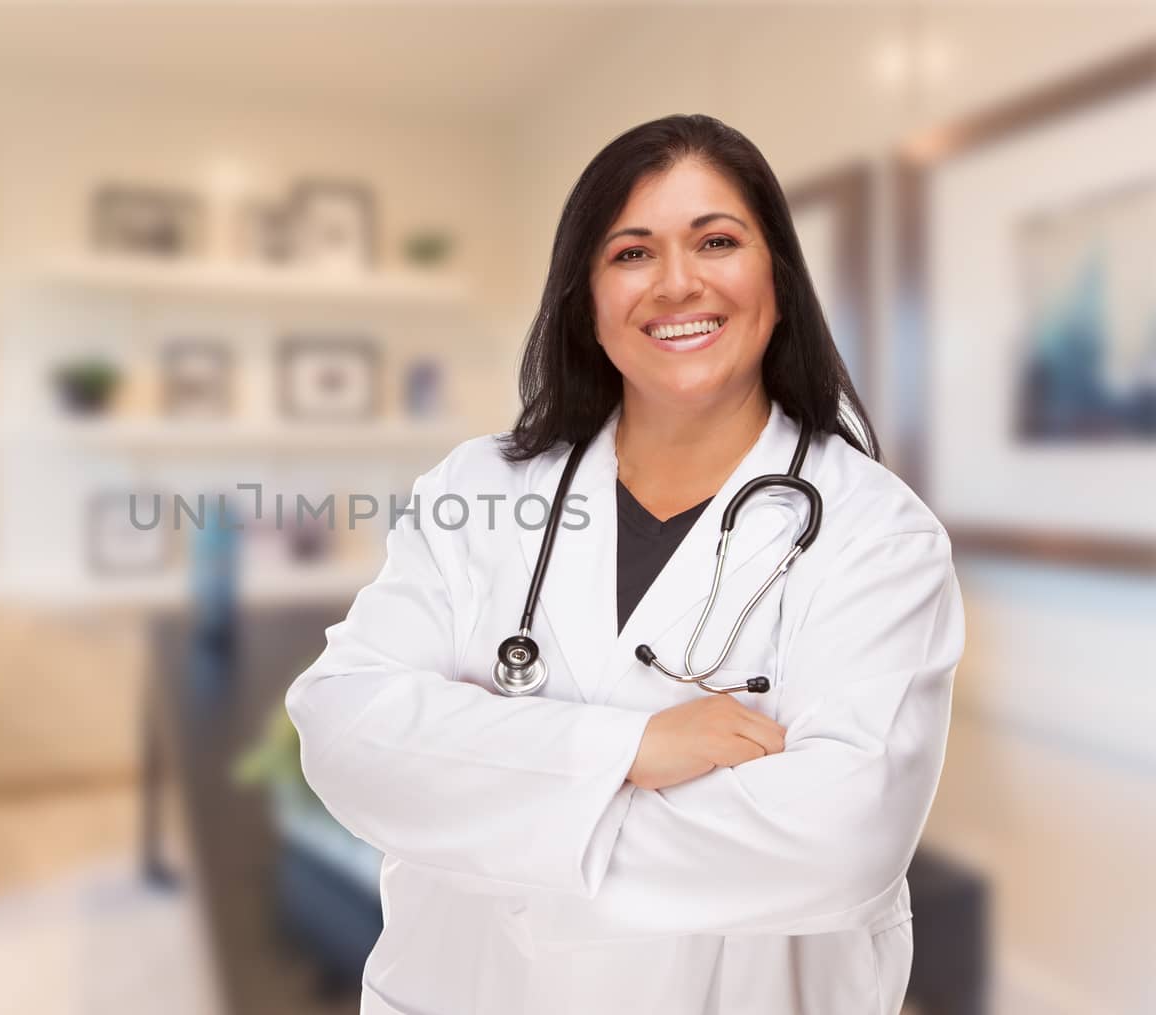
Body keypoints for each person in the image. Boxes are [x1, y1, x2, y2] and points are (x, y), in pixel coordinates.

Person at [284, 113, 965, 1015]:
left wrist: (487, 799)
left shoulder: (878, 533)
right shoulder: (478, 487)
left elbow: (842, 838)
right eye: (632, 253)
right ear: (587, 298)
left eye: (716, 241)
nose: (678, 283)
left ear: (777, 279)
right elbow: (343, 728)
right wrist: (630, 748)